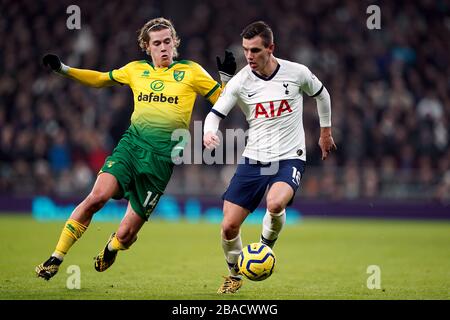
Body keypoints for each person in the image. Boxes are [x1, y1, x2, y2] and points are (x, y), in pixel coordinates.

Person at [36, 17, 236, 280]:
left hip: (161, 163)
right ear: (146, 46)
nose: (163, 47)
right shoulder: (135, 70)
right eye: (157, 43)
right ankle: (55, 258)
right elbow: (99, 79)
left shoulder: (191, 71)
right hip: (131, 147)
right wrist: (64, 69)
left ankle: (112, 246)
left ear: (175, 43)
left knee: (126, 236)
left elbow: (222, 102)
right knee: (96, 198)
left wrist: (226, 79)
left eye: (167, 41)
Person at [203, 21, 337, 293]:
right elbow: (215, 113)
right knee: (228, 226)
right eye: (246, 50)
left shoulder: (297, 73)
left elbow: (323, 95)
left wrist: (325, 132)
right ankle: (234, 276)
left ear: (271, 48)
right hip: (254, 158)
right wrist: (208, 133)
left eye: (255, 50)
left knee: (275, 203)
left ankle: (265, 247)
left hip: (290, 156)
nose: (249, 56)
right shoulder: (242, 80)